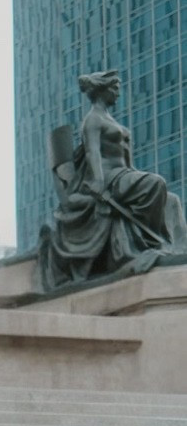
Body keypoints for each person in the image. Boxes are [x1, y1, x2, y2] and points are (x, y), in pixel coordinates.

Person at [38, 69, 187, 293]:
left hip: (125, 174)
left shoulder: (110, 119)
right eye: (114, 89)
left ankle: (177, 248)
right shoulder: (92, 121)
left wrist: (135, 176)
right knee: (156, 183)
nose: (118, 93)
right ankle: (150, 243)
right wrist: (98, 183)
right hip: (109, 179)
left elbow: (128, 162)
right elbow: (93, 153)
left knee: (172, 200)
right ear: (102, 91)